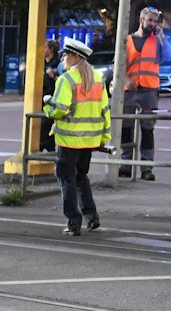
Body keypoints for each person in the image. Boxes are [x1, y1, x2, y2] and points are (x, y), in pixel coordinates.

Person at [45, 37, 108, 235]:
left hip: (69, 139)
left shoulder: (67, 79)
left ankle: (73, 222)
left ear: (74, 57)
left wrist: (47, 106)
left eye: (65, 55)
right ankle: (92, 217)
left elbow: (60, 110)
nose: (62, 58)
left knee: (67, 179)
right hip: (90, 140)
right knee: (81, 177)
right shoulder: (98, 79)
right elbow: (104, 110)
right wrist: (104, 138)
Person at [116, 8, 161, 179]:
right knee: (126, 128)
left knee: (147, 130)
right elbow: (118, 65)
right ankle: (125, 166)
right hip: (130, 91)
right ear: (141, 20)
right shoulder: (127, 40)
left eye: (155, 21)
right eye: (150, 20)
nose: (153, 24)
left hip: (149, 90)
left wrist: (162, 37)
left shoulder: (157, 41)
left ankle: (146, 168)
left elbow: (170, 55)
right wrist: (126, 79)